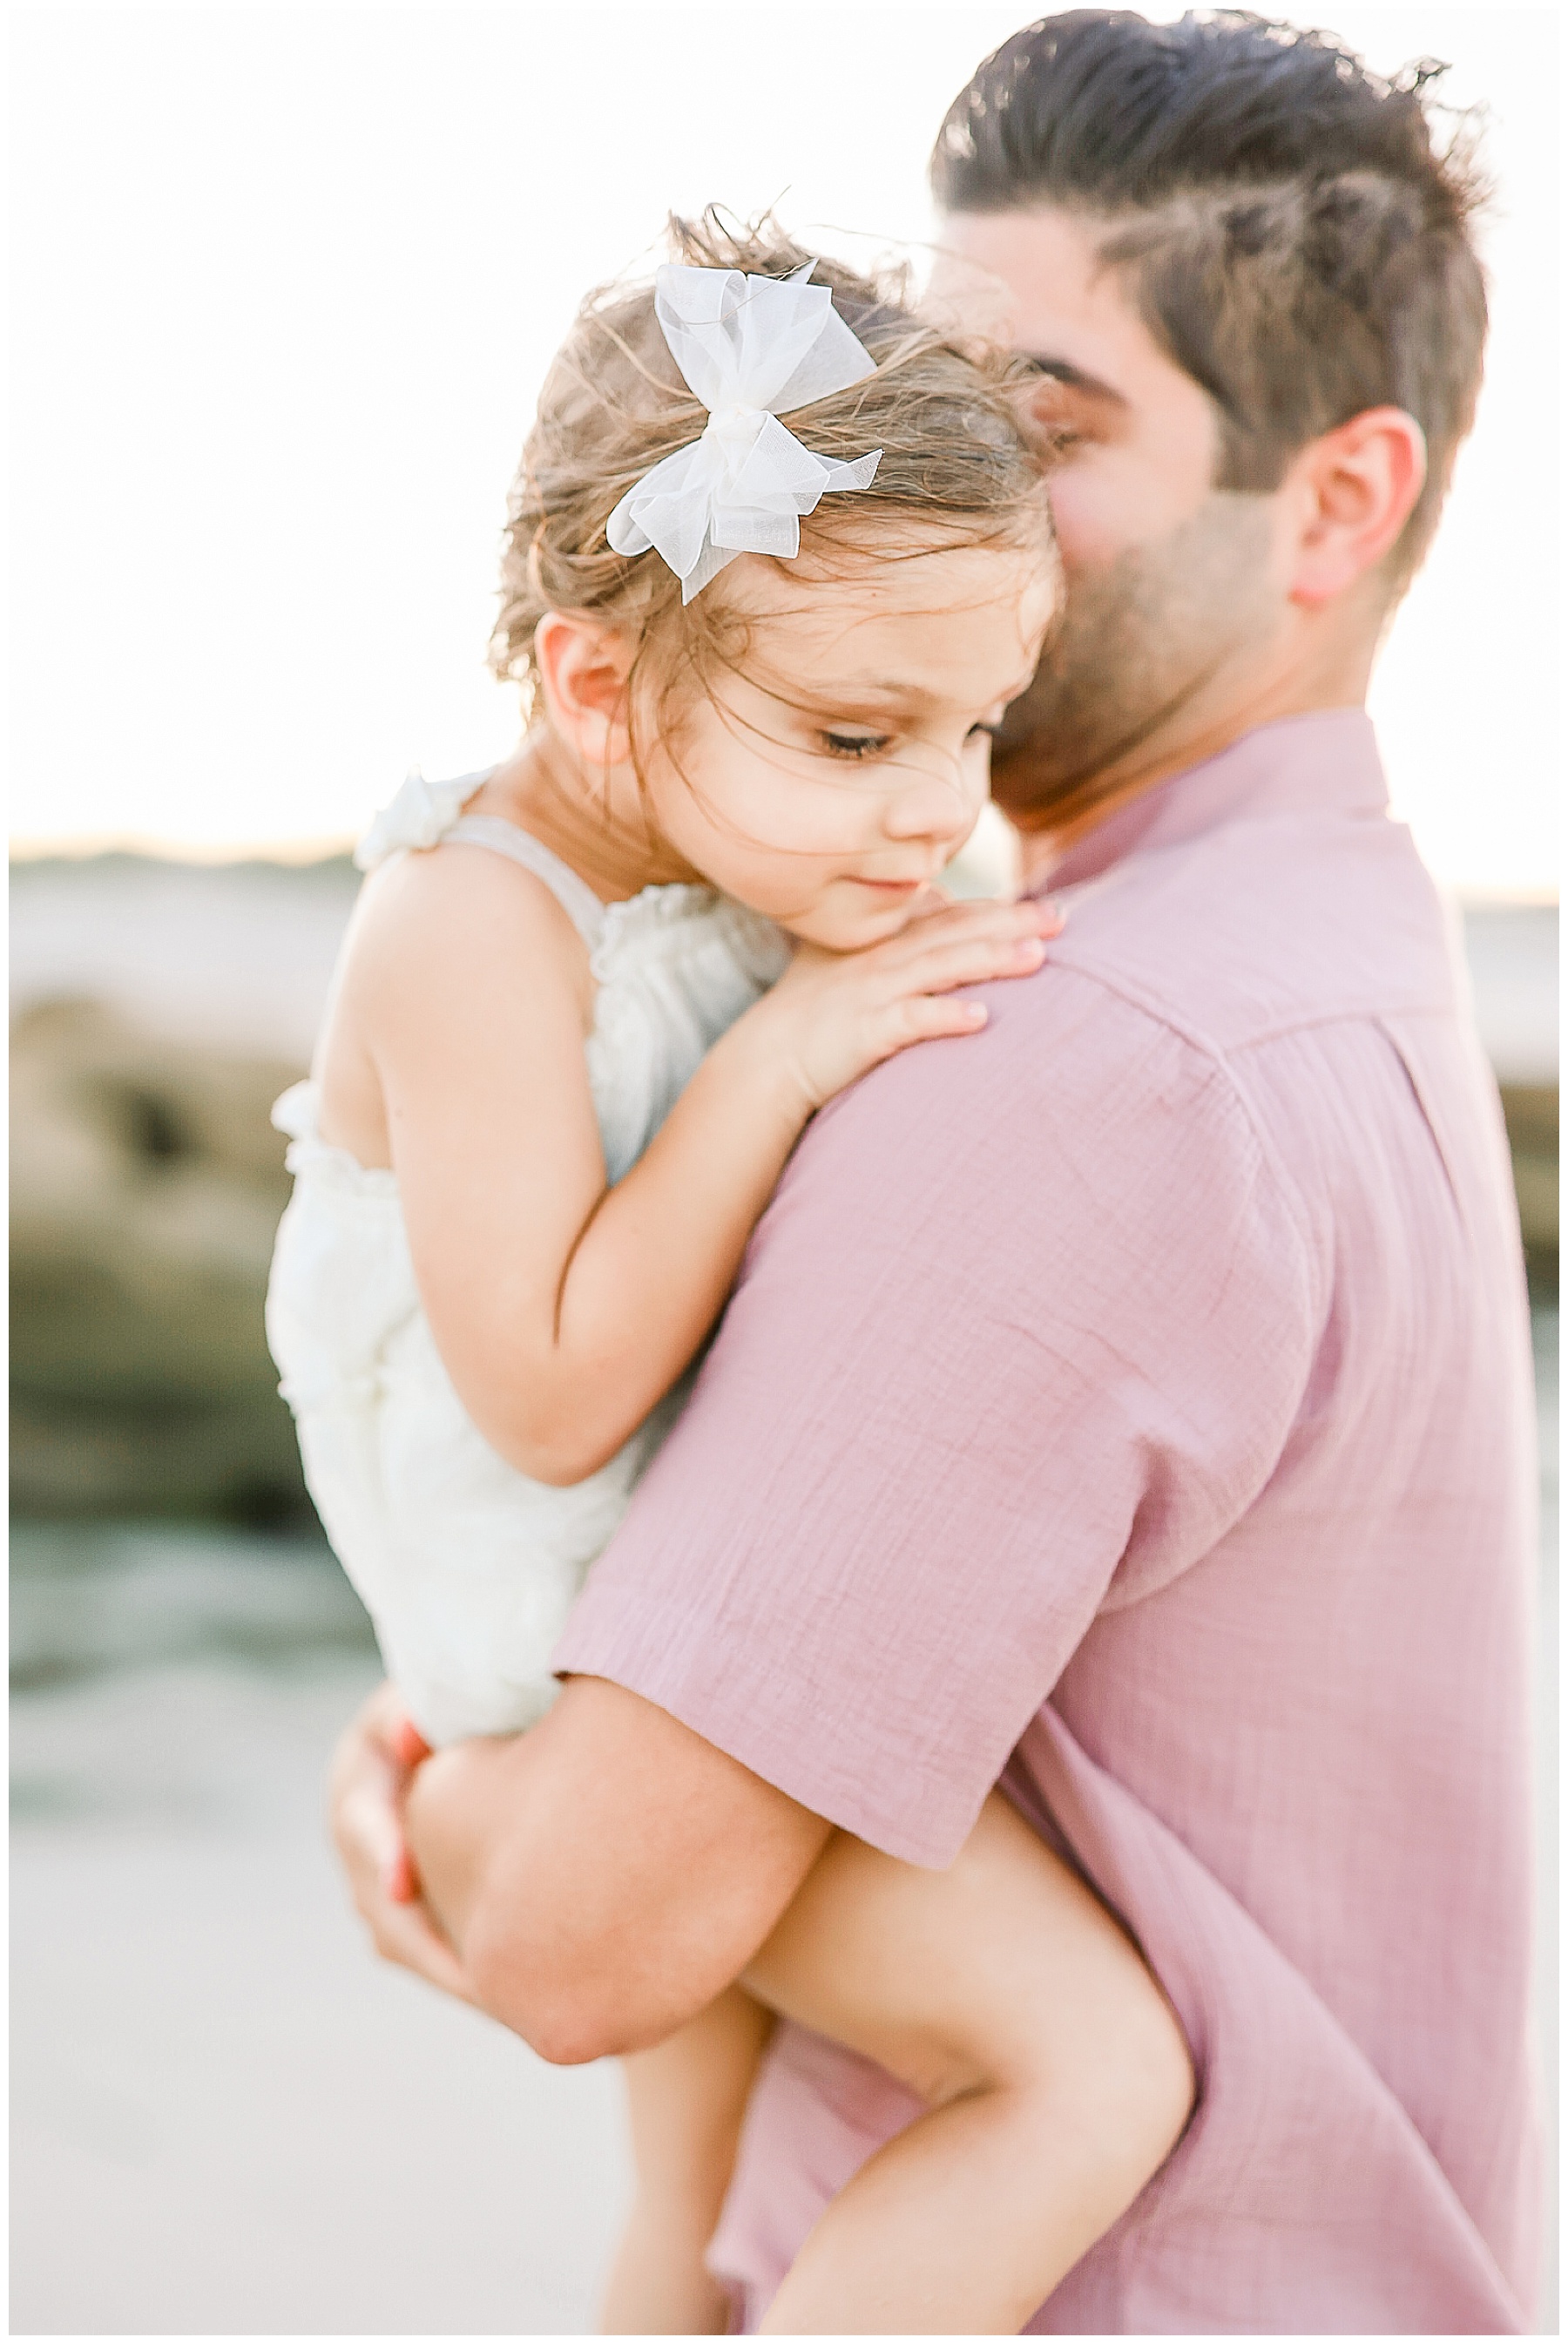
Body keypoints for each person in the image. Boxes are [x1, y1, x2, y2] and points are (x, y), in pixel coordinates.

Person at [331, 12, 1544, 2333]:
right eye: (928, 382)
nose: (948, 471)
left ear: (1341, 500)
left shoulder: (1063, 1047)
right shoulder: (1346, 967)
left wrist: (403, 1803)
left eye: (1053, 423)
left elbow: (587, 1929)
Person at [275, 220, 1193, 2336]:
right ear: (596, 686)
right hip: (563, 1625)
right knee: (1086, 2064)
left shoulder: (742, 849)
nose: (942, 812)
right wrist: (778, 1060)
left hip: (680, 1585)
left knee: (683, 2234)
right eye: (865, 739)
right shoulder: (466, 929)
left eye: (981, 728)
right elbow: (551, 1391)